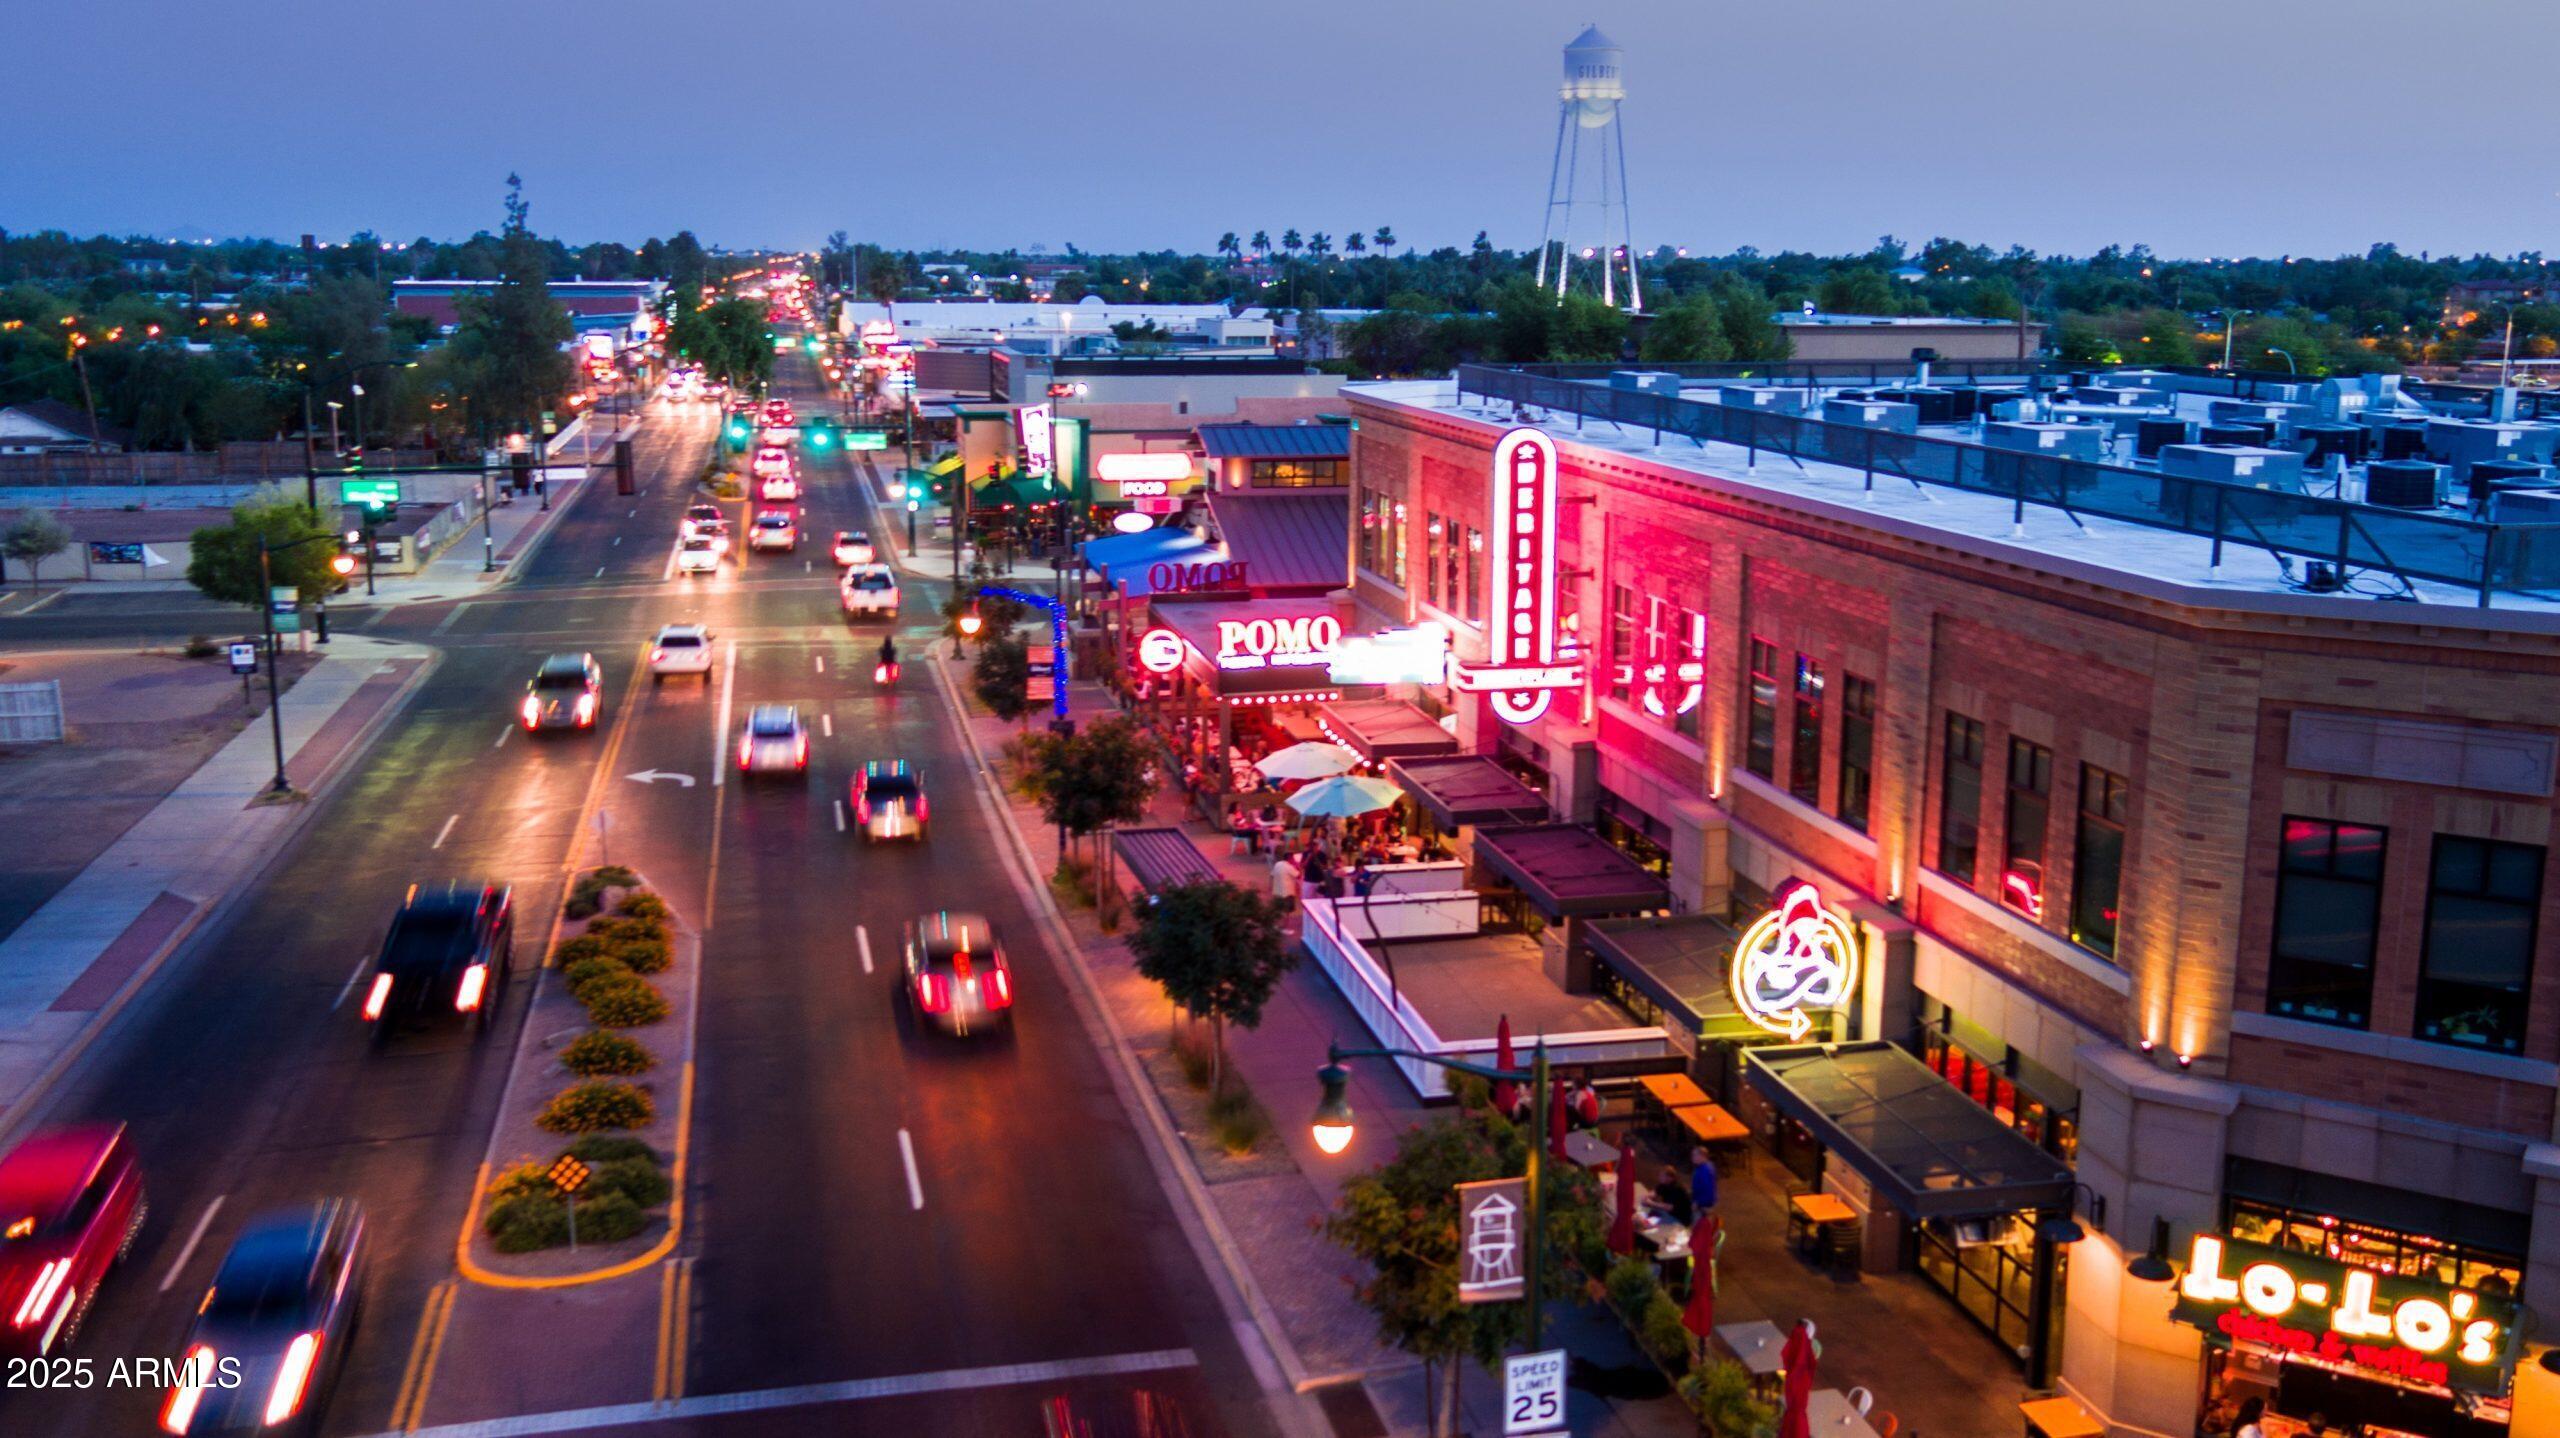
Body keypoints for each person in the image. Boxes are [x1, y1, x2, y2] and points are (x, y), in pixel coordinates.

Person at [1689, 1146, 1719, 1217]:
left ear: (1702, 1156)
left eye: (1694, 1155)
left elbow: (1708, 1190)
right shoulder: (1706, 1166)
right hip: (1702, 1203)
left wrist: (1698, 1203)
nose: (1692, 1157)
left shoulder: (1705, 1171)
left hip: (1703, 1206)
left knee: (1700, 1225)